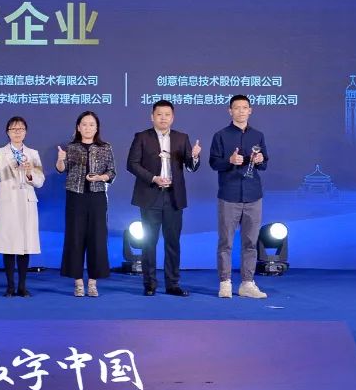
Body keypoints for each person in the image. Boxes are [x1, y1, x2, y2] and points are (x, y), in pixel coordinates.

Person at [126, 100, 202, 297]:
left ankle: (172, 284)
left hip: (173, 197)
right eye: (159, 114)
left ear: (173, 117)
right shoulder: (142, 137)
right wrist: (153, 178)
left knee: (173, 242)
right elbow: (132, 164)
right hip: (150, 196)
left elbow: (191, 167)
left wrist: (194, 157)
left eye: (167, 114)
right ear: (152, 117)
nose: (163, 118)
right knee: (149, 243)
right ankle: (149, 284)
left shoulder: (181, 138)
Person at [209, 94, 269, 299]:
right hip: (229, 194)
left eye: (245, 108)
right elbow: (213, 163)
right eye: (237, 108)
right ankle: (225, 282)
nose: (241, 111)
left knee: (250, 242)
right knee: (225, 242)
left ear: (250, 111)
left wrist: (259, 160)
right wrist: (230, 160)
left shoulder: (258, 135)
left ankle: (247, 283)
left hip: (253, 195)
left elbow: (265, 163)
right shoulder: (220, 135)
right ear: (230, 111)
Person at [57, 111, 116, 297]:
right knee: (75, 238)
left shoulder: (105, 147)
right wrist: (60, 159)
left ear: (97, 128)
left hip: (97, 196)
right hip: (75, 196)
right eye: (84, 124)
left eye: (91, 124)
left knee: (97, 239)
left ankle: (92, 282)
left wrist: (100, 177)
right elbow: (61, 169)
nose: (88, 128)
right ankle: (78, 282)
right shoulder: (71, 147)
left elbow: (112, 172)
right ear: (78, 127)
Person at [0, 116, 45, 297]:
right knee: (9, 244)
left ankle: (22, 286)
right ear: (8, 132)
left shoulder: (33, 154)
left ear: (25, 132)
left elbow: (40, 181)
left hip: (26, 202)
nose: (17, 132)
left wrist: (29, 173)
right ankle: (10, 286)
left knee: (25, 244)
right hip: (8, 202)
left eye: (21, 129)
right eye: (14, 129)